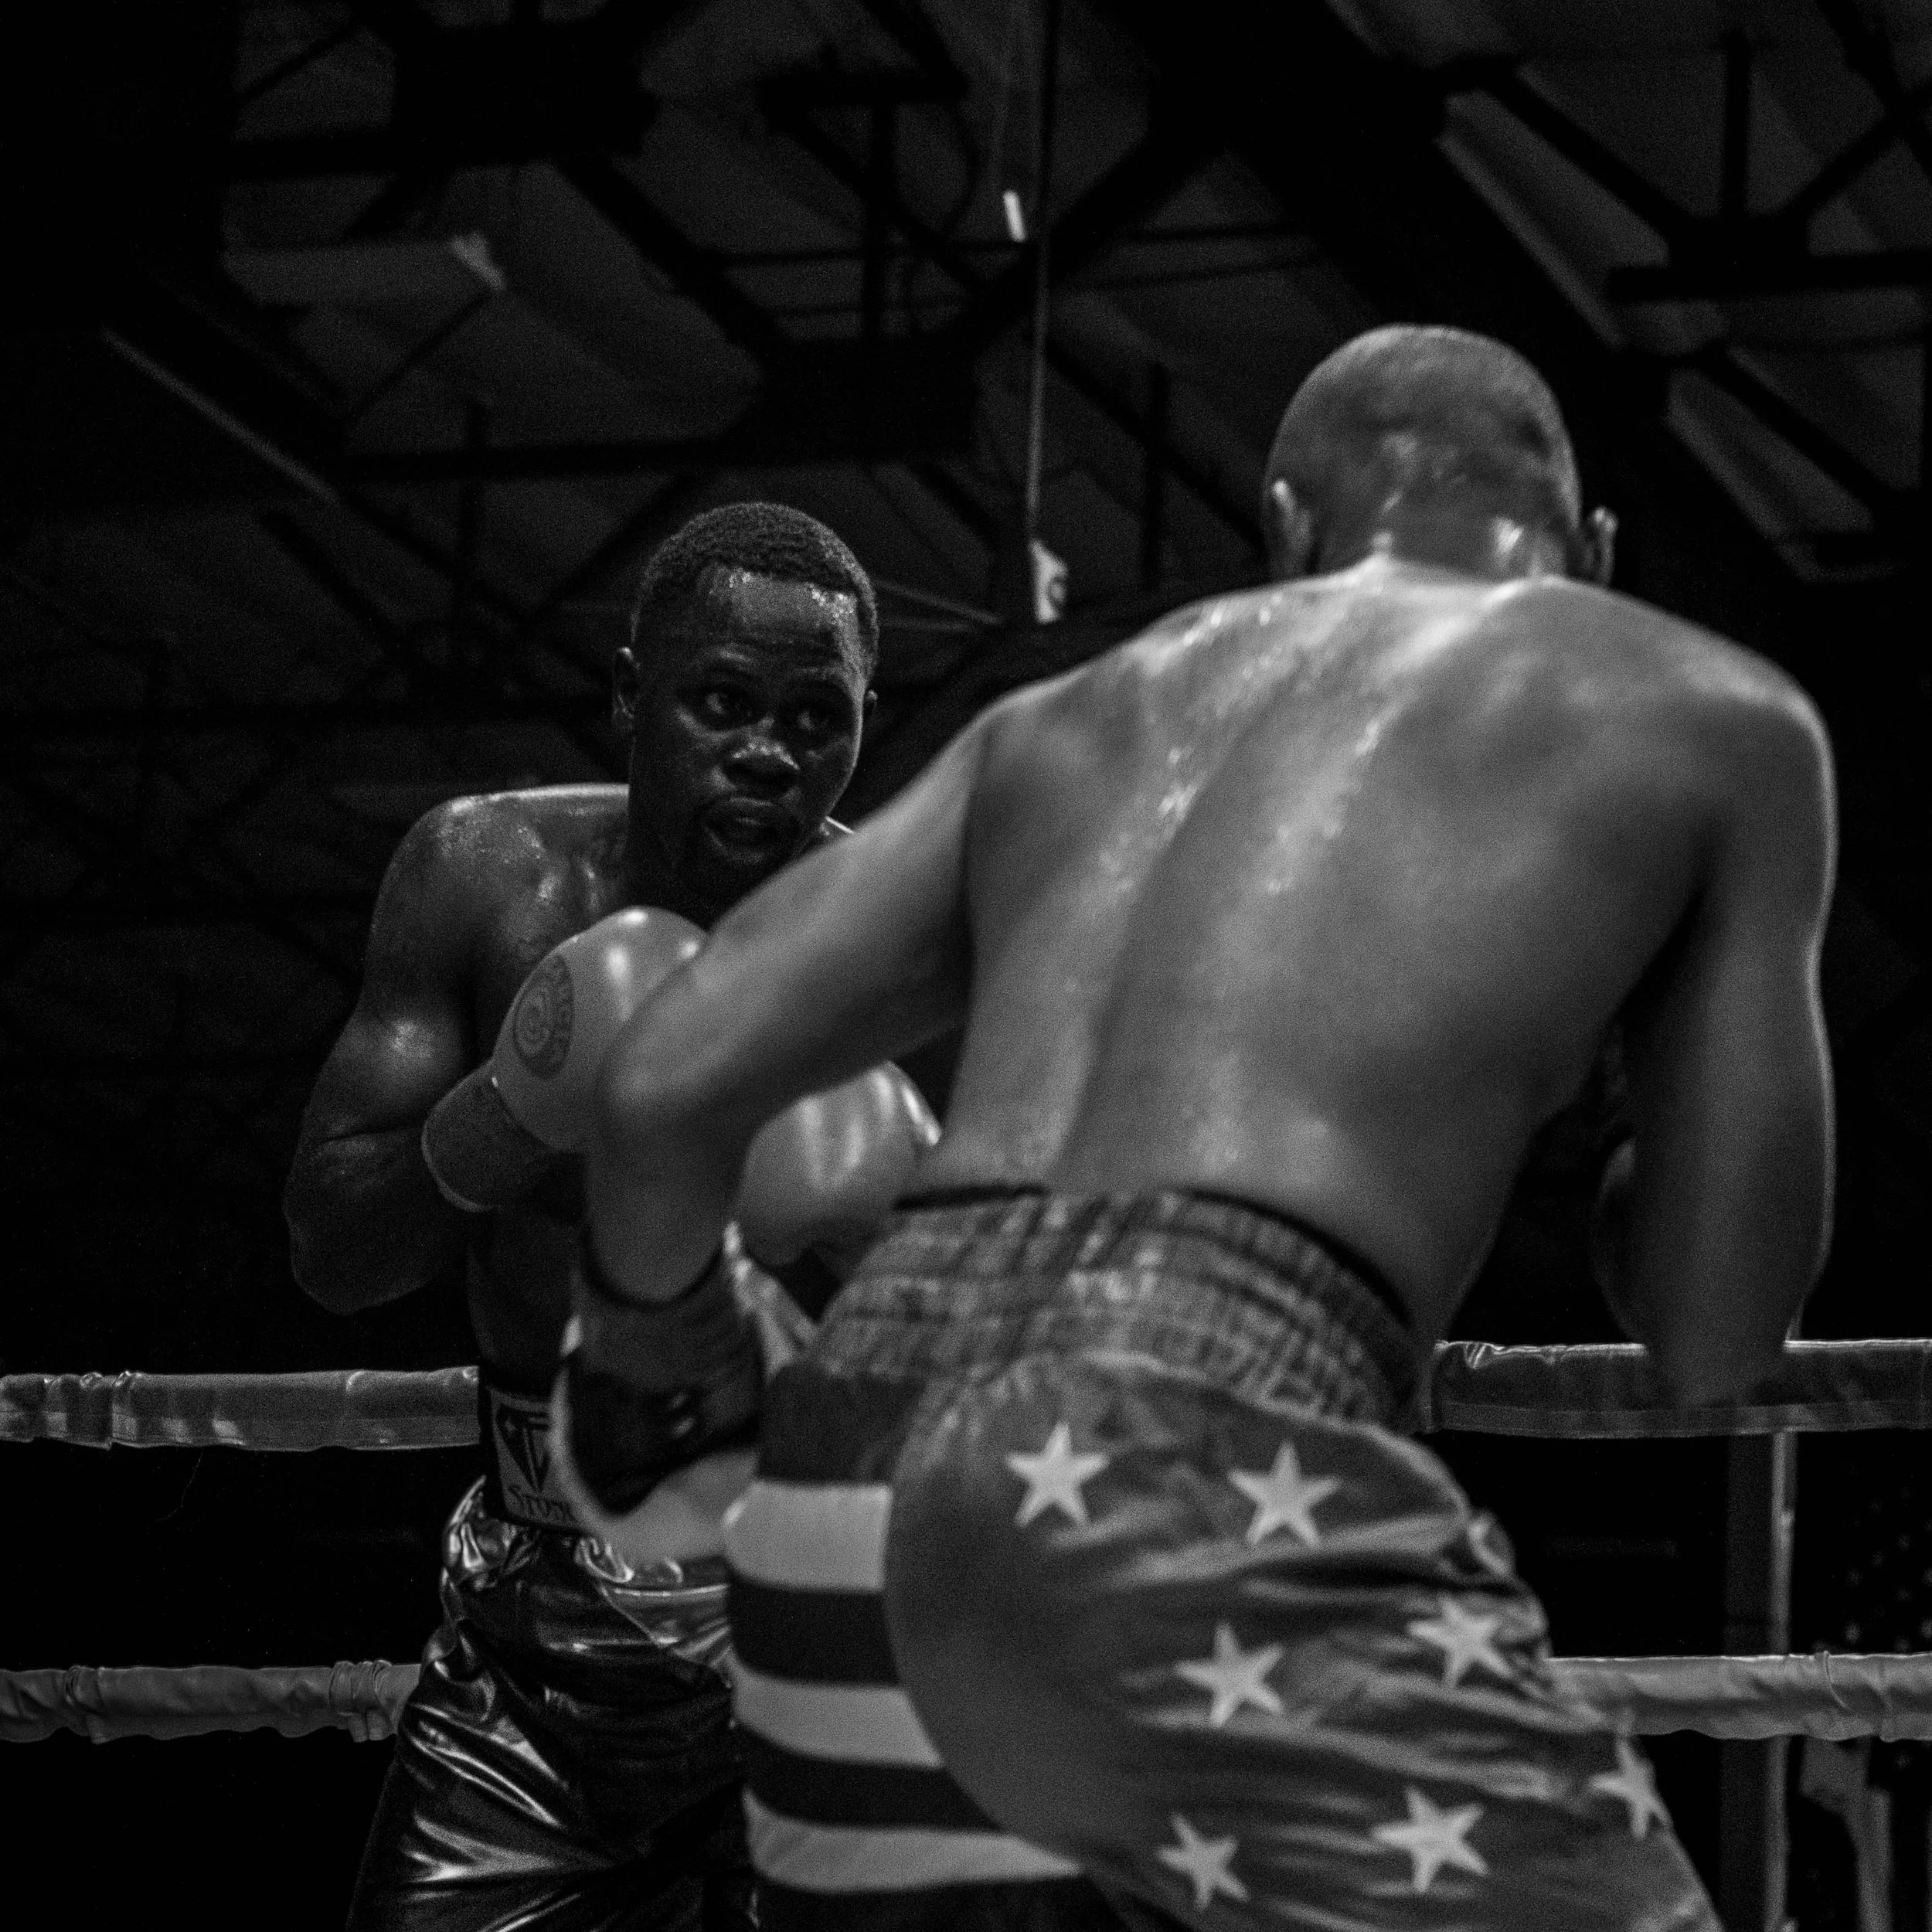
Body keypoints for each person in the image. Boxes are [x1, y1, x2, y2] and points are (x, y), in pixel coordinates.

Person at [561, 327, 1838, 1932]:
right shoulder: (1708, 712)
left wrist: (654, 1360)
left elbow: (660, 1082)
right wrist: (1631, 1179)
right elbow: (1714, 1333)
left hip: (849, 1493)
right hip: (1186, 1452)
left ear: (1286, 523)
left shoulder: (1059, 721)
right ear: (1584, 551)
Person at [285, 502, 910, 1931]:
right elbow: (330, 1254)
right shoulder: (482, 880)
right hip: (529, 1652)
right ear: (630, 695)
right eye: (723, 701)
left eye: (820, 715)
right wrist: (513, 1109)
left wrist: (872, 1231)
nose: (771, 753)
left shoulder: (897, 947)